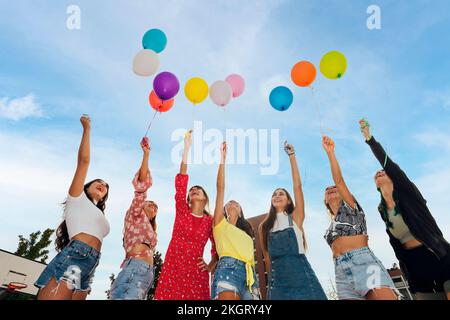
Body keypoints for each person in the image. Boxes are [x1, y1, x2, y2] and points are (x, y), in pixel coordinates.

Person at [360, 119, 450, 300]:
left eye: (383, 172)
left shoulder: (409, 195)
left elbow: (389, 165)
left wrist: (370, 139)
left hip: (438, 254)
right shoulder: (382, 209)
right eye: (376, 174)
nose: (379, 172)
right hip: (415, 266)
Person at [35, 115, 110, 300]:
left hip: (92, 263)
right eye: (98, 182)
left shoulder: (99, 214)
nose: (103, 185)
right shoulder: (77, 197)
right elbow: (83, 162)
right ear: (86, 187)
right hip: (76, 255)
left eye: (106, 186)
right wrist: (87, 130)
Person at [322, 135, 398, 300]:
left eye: (334, 188)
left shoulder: (351, 208)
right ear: (325, 201)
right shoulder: (330, 228)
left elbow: (339, 181)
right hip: (341, 273)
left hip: (363, 263)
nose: (331, 188)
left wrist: (330, 153)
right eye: (327, 189)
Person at [154, 130, 218, 300]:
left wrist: (210, 266)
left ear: (205, 198)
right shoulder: (182, 211)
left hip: (196, 273)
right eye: (192, 190)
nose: (193, 190)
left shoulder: (210, 221)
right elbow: (181, 181)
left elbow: (217, 247)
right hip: (173, 268)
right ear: (189, 198)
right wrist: (186, 148)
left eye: (198, 189)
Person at [260, 141, 327, 300]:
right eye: (275, 194)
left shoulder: (295, 218)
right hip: (278, 282)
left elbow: (297, 187)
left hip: (301, 275)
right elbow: (267, 258)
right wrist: (273, 284)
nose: (277, 196)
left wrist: (292, 156)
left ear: (289, 201)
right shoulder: (264, 226)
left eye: (281, 194)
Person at [109, 137, 158, 300]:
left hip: (146, 274)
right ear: (142, 205)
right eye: (150, 204)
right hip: (135, 268)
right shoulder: (135, 215)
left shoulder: (150, 230)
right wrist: (146, 155)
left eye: (156, 208)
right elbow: (142, 186)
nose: (154, 207)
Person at [211, 142, 259, 300]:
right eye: (228, 203)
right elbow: (220, 187)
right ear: (224, 210)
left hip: (250, 275)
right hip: (228, 268)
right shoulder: (219, 224)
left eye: (236, 203)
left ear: (240, 210)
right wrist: (223, 160)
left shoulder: (247, 233)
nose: (232, 203)